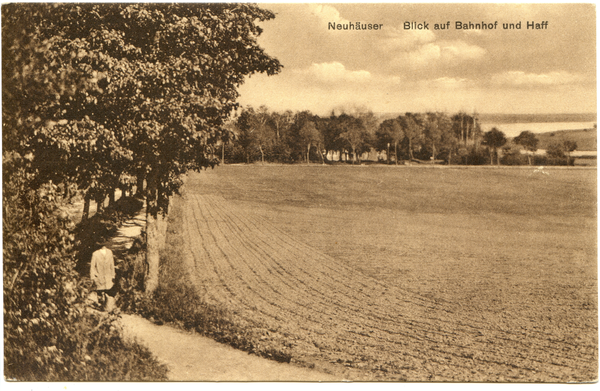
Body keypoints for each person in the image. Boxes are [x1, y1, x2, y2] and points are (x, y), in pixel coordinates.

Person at [90, 244, 116, 311]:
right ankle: (101, 306)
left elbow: (112, 264)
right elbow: (92, 267)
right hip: (99, 277)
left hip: (108, 276)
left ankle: (107, 307)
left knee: (108, 291)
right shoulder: (95, 254)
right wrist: (93, 277)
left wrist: (113, 275)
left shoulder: (109, 252)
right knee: (100, 291)